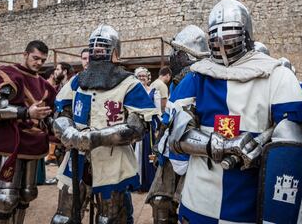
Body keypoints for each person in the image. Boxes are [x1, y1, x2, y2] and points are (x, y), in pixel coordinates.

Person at [167, 0, 302, 223]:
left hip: (251, 208)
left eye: (231, 33)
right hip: (197, 201)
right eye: (216, 35)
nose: (223, 41)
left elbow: (295, 148)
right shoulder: (197, 77)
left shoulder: (277, 76)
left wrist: (262, 147)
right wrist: (222, 145)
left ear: (246, 33)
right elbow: (177, 136)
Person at [51, 24, 158, 224]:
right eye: (94, 50)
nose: (97, 54)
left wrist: (94, 137)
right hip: (77, 158)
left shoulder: (129, 83)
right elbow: (60, 112)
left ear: (115, 54)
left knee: (109, 219)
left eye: (103, 50)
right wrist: (69, 133)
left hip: (113, 159)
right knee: (63, 218)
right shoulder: (78, 81)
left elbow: (137, 126)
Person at [146, 24, 210, 224]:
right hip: (169, 154)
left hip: (193, 157)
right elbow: (170, 119)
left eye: (176, 52)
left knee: (187, 207)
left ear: (187, 54)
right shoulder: (176, 81)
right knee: (160, 202)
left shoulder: (203, 79)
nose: (172, 57)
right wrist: (159, 146)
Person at [0, 40, 56, 224]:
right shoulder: (9, 76)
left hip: (34, 145)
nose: (39, 63)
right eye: (35, 58)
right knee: (4, 198)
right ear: (25, 54)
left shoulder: (45, 86)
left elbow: (50, 114)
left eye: (43, 60)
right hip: (10, 143)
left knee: (27, 194)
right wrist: (26, 112)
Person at [134, 67, 160, 192]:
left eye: (144, 76)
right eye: (140, 76)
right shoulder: (133, 92)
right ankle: (137, 182)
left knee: (149, 153)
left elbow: (157, 111)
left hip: (149, 127)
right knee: (136, 153)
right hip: (135, 127)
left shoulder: (154, 92)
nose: (142, 78)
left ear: (148, 77)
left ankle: (149, 183)